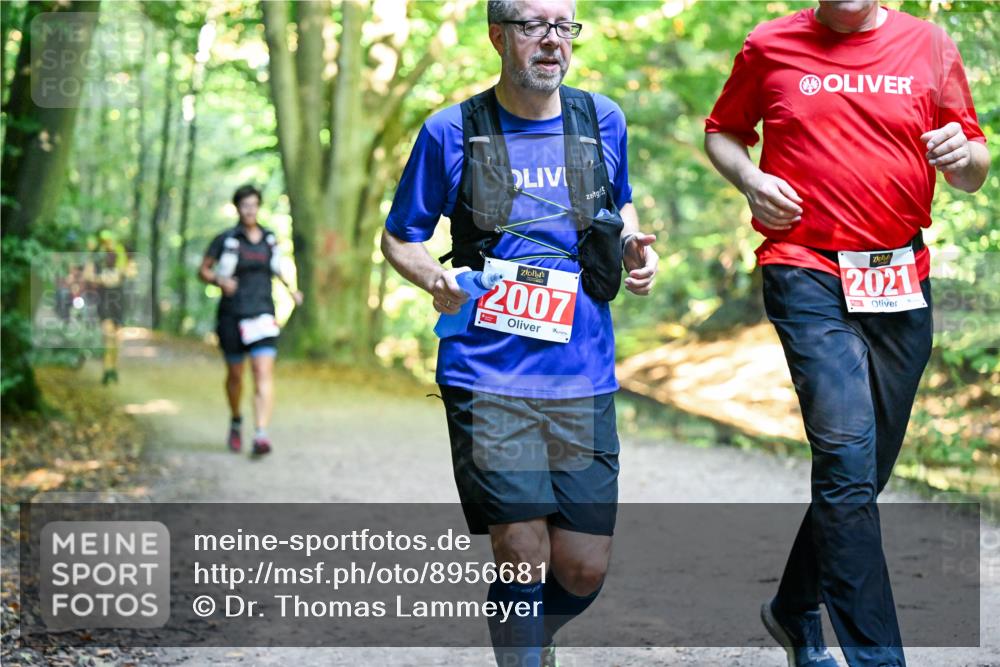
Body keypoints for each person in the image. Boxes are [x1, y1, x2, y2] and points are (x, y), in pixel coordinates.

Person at [704, 2, 989, 666]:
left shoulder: (930, 45)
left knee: (859, 473)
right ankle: (877, 657)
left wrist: (962, 156)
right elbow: (723, 131)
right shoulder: (769, 45)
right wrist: (750, 179)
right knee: (844, 455)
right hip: (804, 269)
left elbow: (973, 167)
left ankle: (793, 606)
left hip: (898, 277)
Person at [381, 1, 658, 664]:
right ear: (498, 35)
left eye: (564, 26)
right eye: (535, 25)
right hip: (487, 371)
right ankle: (523, 649)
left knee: (582, 567)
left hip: (581, 372)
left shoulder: (602, 120)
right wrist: (433, 280)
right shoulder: (452, 131)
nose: (552, 41)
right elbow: (400, 237)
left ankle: (530, 630)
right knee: (520, 547)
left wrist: (635, 248)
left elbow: (617, 206)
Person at [199, 184, 303, 457]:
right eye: (245, 205)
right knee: (235, 376)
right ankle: (236, 419)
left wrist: (292, 290)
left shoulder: (269, 238)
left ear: (258, 207)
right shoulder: (226, 239)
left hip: (263, 314)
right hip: (232, 315)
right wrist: (220, 280)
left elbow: (278, 268)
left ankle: (260, 434)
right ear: (237, 208)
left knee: (262, 373)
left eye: (254, 205)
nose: (250, 210)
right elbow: (203, 270)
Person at [83, 230, 132, 385]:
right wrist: (101, 279)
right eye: (104, 240)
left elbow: (129, 272)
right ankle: (107, 368)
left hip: (118, 298)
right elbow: (88, 275)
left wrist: (121, 273)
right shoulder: (97, 257)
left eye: (109, 240)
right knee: (107, 333)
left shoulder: (121, 255)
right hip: (103, 298)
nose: (107, 243)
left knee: (117, 336)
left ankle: (113, 367)